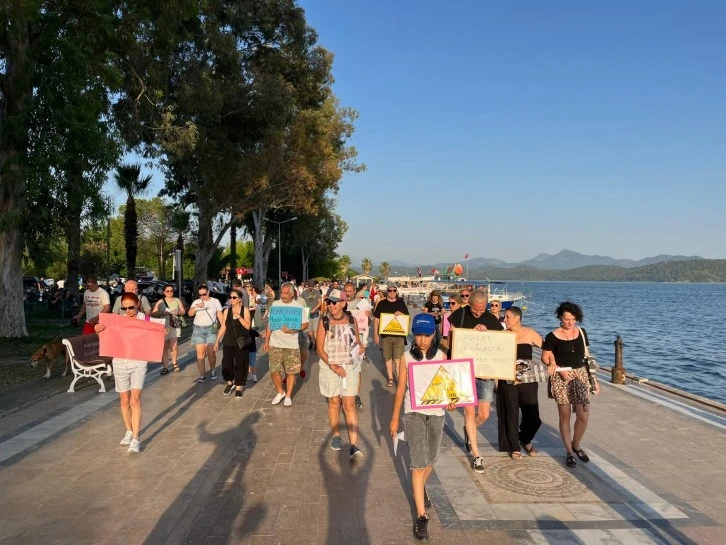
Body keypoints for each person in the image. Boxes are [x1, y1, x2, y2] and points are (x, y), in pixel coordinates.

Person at [390, 314, 456, 542]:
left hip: (437, 413)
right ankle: (421, 516)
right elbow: (400, 389)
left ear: (434, 334)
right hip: (413, 412)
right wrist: (394, 418)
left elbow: (448, 387)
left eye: (426, 335)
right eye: (418, 334)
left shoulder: (442, 356)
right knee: (418, 464)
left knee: (431, 460)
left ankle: (420, 488)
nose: (422, 339)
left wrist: (452, 401)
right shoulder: (406, 357)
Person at [447, 289, 503, 473]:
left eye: (481, 310)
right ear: (469, 304)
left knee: (484, 414)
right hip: (464, 370)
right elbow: (452, 340)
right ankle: (477, 455)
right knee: (469, 414)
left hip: (484, 372)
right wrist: (471, 333)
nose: (478, 313)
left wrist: (494, 373)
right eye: (475, 309)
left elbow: (498, 347)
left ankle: (468, 431)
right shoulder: (460, 315)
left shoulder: (492, 320)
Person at [94, 293, 158, 453]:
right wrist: (98, 330)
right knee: (124, 400)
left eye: (131, 307)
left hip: (138, 362)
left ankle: (136, 438)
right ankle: (129, 431)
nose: (128, 311)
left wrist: (160, 334)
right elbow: (105, 336)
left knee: (135, 400)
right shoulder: (117, 321)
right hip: (120, 361)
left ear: (138, 305)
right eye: (124, 308)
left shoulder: (146, 320)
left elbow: (157, 334)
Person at [541, 301, 599, 468]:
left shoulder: (581, 332)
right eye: (567, 319)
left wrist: (594, 380)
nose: (570, 322)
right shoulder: (552, 336)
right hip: (561, 376)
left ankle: (576, 444)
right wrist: (558, 369)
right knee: (565, 415)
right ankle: (569, 452)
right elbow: (545, 358)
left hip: (580, 374)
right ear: (560, 317)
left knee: (583, 415)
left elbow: (588, 357)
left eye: (573, 319)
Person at [316, 288, 366, 459]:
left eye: (334, 302)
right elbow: (319, 348)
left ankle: (354, 444)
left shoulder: (352, 319)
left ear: (343, 303)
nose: (331, 306)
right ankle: (336, 435)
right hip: (330, 367)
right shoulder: (324, 322)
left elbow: (357, 342)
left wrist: (361, 348)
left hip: (349, 366)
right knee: (334, 401)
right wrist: (333, 365)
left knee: (349, 404)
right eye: (329, 302)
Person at [496, 306, 543, 459]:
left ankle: (525, 438)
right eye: (504, 317)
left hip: (528, 380)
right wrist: (496, 381)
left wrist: (554, 364)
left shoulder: (530, 333)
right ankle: (514, 446)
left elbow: (548, 349)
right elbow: (494, 358)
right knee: (511, 413)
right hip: (508, 380)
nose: (505, 320)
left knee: (533, 416)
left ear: (517, 318)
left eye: (507, 317)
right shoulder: (503, 335)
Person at [263, 282, 309, 406]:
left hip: (291, 345)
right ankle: (280, 392)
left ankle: (288, 395)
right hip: (275, 343)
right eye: (281, 293)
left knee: (291, 372)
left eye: (285, 293)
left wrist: (293, 330)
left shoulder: (298, 307)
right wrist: (266, 340)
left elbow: (306, 324)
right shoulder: (275, 305)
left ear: (292, 294)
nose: (283, 295)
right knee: (274, 371)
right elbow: (270, 324)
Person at [213, 289, 252, 398]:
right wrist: (217, 341)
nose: (231, 299)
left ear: (239, 299)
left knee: (241, 364)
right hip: (228, 341)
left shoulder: (245, 311)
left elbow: (248, 327)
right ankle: (230, 382)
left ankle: (239, 386)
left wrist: (239, 316)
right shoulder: (227, 311)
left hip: (241, 342)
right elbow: (223, 327)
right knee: (226, 364)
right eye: (230, 297)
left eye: (234, 297)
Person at [372, 284, 410, 388]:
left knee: (398, 358)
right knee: (387, 357)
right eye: (390, 290)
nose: (392, 292)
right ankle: (390, 378)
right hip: (385, 335)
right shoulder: (381, 303)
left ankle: (399, 378)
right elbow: (376, 319)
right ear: (387, 291)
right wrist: (375, 334)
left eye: (394, 290)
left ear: (396, 292)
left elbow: (407, 317)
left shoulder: (401, 303)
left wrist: (401, 314)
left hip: (399, 335)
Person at [344, 281, 371, 408]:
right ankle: (342, 394)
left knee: (356, 369)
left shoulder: (362, 303)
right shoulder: (339, 303)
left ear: (355, 291)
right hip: (341, 341)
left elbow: (368, 321)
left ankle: (356, 394)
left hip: (356, 341)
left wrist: (368, 316)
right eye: (346, 291)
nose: (348, 293)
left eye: (350, 291)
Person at [188, 285, 224, 382]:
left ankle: (212, 370)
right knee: (200, 354)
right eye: (200, 295)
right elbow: (190, 314)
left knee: (211, 352)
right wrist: (196, 308)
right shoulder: (196, 302)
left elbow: (220, 315)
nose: (202, 296)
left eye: (204, 294)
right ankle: (202, 375)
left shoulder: (215, 301)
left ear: (208, 292)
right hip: (198, 328)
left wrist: (224, 326)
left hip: (211, 328)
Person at [152, 284, 186, 375]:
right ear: (164, 292)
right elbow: (153, 313)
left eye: (171, 291)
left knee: (174, 346)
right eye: (167, 291)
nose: (170, 293)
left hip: (174, 325)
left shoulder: (177, 300)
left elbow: (183, 311)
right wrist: (162, 312)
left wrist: (178, 312)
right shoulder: (160, 302)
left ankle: (175, 363)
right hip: (163, 326)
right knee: (164, 348)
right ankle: (165, 367)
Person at [300, 280, 323, 350]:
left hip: (315, 313)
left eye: (312, 286)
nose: (310, 288)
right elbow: (300, 301)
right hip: (307, 313)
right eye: (309, 286)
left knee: (315, 330)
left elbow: (320, 302)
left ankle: (316, 343)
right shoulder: (304, 292)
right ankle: (311, 342)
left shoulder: (317, 292)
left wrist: (314, 309)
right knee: (309, 330)